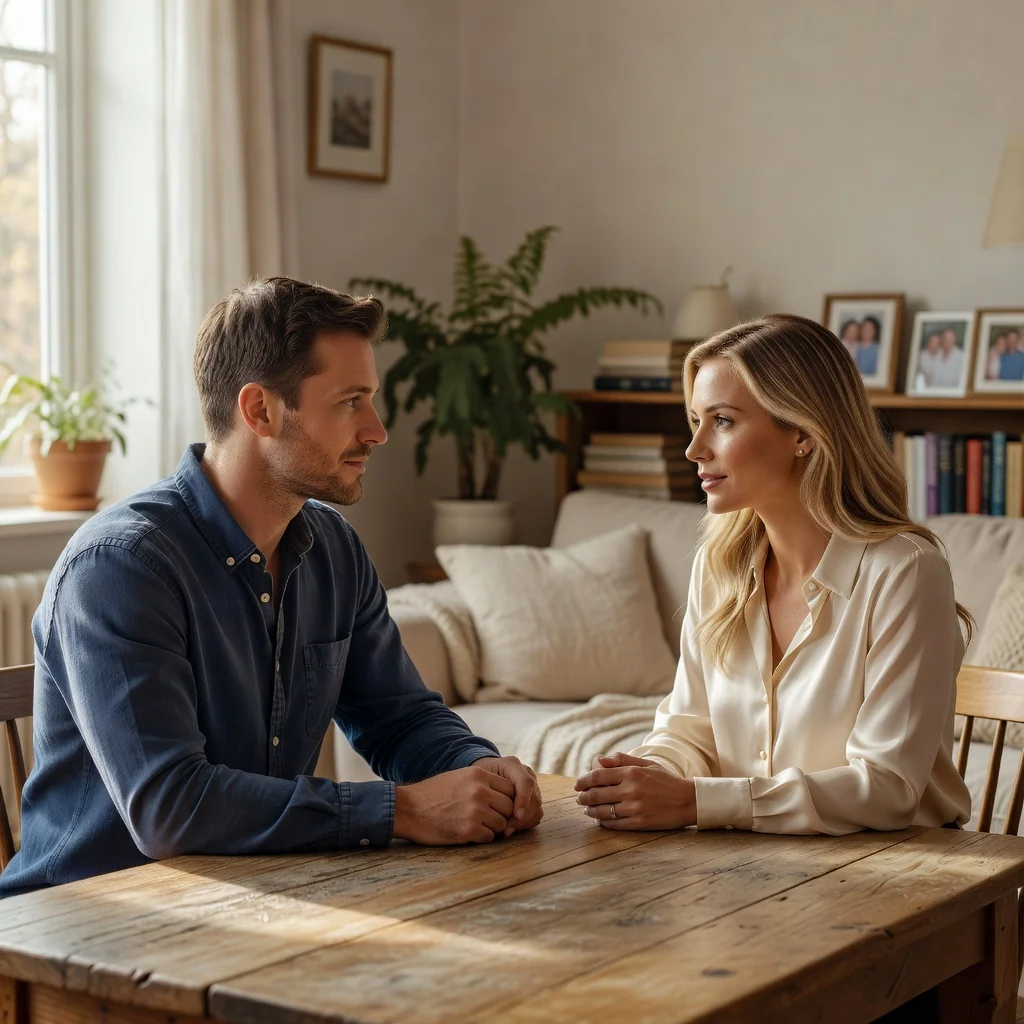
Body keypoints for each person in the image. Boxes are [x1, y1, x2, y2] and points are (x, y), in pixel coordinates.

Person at [0, 277, 542, 898]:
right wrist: (404, 811)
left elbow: (400, 718)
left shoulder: (333, 549)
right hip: (80, 929)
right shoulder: (121, 567)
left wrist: (478, 769)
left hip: (254, 903)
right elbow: (169, 806)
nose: (377, 429)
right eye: (350, 401)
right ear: (259, 409)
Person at [574, 314, 973, 1022]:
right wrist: (646, 773)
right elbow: (691, 725)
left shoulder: (905, 570)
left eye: (721, 420)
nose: (695, 447)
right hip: (742, 887)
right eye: (696, 420)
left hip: (892, 907)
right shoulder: (718, 563)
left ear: (804, 433)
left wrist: (697, 804)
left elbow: (887, 789)